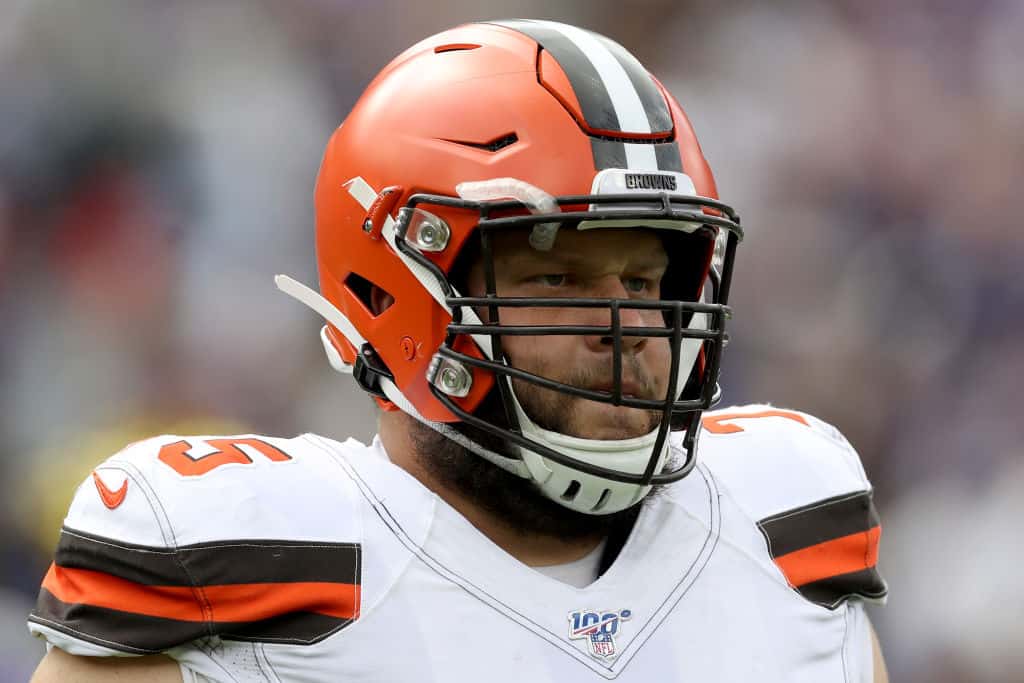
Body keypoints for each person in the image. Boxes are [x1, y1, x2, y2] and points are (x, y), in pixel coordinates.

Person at [28, 19, 889, 682]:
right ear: (393, 296)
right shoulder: (241, 564)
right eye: (560, 283)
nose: (622, 327)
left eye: (645, 279)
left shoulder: (785, 519)